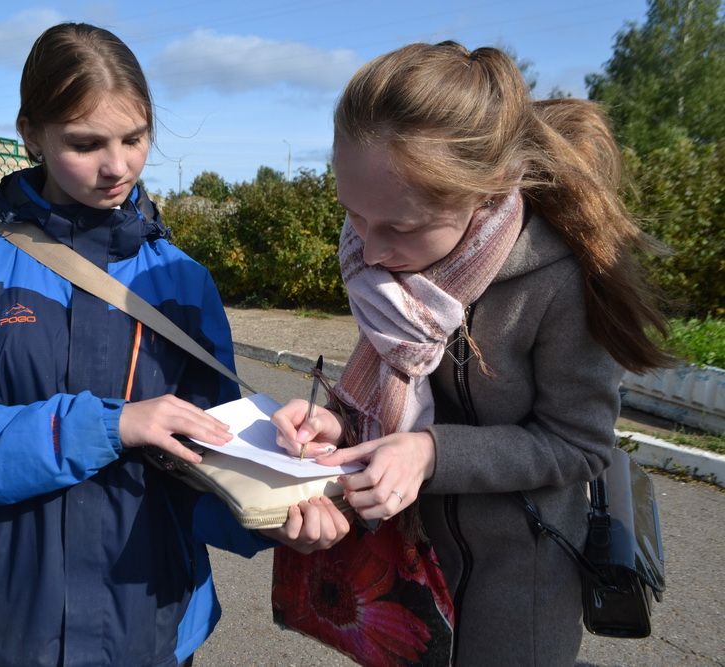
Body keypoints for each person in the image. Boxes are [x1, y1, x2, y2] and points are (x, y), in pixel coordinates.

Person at [0, 23, 348, 667]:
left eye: (135, 139)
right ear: (31, 134)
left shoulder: (182, 280)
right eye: (85, 143)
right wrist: (110, 425)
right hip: (10, 613)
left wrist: (280, 506)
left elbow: (212, 454)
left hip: (154, 617)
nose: (118, 166)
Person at [272, 41, 671, 666]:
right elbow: (394, 394)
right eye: (352, 215)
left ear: (488, 193)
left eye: (398, 227)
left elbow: (580, 443)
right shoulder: (391, 269)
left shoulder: (562, 282)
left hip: (517, 594)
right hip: (405, 580)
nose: (368, 252)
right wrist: (338, 426)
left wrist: (431, 454)